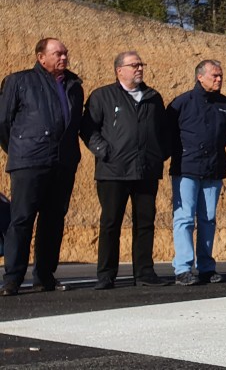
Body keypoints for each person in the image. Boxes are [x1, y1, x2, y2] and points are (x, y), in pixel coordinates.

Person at [80, 51, 170, 289]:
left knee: (145, 222)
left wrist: (160, 154)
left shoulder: (153, 97)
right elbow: (88, 129)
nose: (139, 68)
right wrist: (104, 151)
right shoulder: (102, 96)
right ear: (119, 70)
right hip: (113, 171)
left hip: (146, 170)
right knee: (111, 223)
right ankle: (106, 275)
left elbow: (163, 130)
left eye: (141, 64)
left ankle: (144, 273)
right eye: (134, 65)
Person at [0, 38, 83, 296]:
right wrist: (18, 148)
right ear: (41, 57)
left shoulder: (74, 85)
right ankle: (12, 278)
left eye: (66, 53)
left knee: (53, 220)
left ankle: (45, 277)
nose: (64, 58)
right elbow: (3, 121)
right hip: (29, 161)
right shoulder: (19, 81)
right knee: (22, 219)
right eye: (58, 53)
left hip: (63, 162)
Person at [167, 60, 226, 286]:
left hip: (214, 169)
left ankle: (206, 267)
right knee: (185, 218)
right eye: (215, 75)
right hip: (186, 169)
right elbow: (168, 133)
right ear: (200, 76)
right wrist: (186, 152)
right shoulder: (182, 103)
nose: (219, 79)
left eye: (220, 75)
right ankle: (183, 268)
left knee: (208, 219)